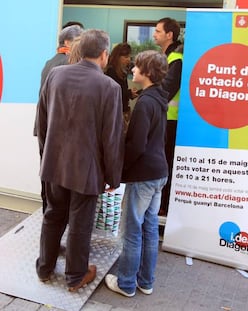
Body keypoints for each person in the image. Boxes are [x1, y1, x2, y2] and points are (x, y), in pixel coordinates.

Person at [35, 29, 124, 292]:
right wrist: (113, 176)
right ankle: (75, 276)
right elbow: (112, 138)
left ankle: (44, 268)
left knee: (52, 216)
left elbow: (42, 122)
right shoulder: (109, 87)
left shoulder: (55, 75)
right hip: (86, 171)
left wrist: (45, 156)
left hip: (53, 164)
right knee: (79, 224)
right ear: (104, 54)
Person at [105, 50, 169, 297]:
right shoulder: (158, 99)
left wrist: (117, 174)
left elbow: (136, 146)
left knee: (132, 230)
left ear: (148, 73)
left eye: (137, 66)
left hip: (144, 176)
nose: (132, 69)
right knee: (150, 229)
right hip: (159, 173)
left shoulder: (144, 103)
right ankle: (146, 281)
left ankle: (126, 284)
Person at [35, 24, 84, 215]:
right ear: (67, 42)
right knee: (58, 179)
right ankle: (55, 218)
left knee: (46, 173)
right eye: (78, 41)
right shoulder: (67, 64)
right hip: (58, 130)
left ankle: (47, 212)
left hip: (44, 127)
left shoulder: (50, 62)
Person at [153, 17, 183, 216]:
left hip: (171, 121)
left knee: (166, 164)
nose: (154, 34)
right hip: (163, 119)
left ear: (169, 35)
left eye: (157, 31)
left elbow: (166, 90)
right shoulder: (164, 56)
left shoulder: (176, 59)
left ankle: (164, 207)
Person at [105, 42, 138, 129]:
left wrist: (130, 94)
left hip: (124, 111)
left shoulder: (123, 72)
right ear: (117, 57)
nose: (128, 59)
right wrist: (128, 93)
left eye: (129, 57)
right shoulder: (111, 71)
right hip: (116, 113)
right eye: (125, 57)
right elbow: (113, 94)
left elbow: (122, 91)